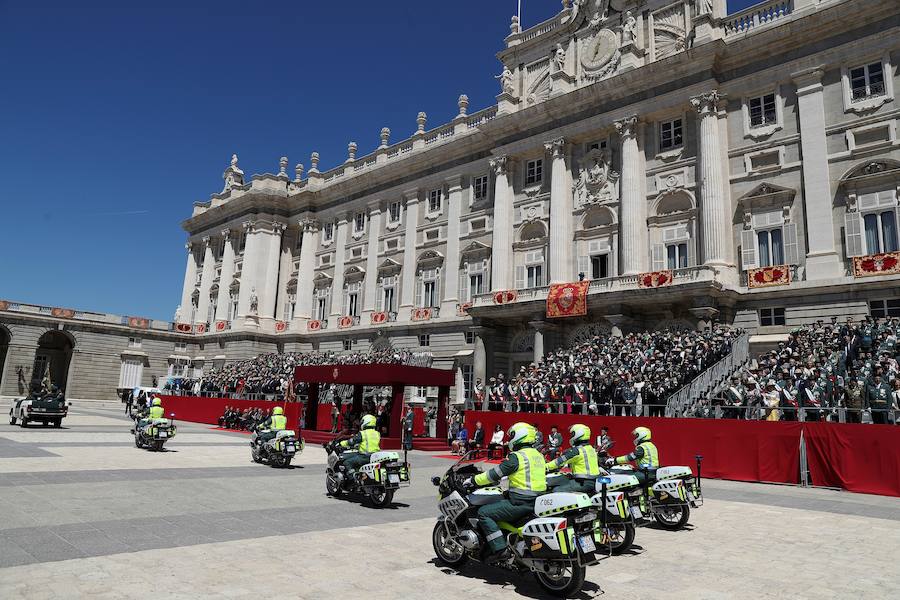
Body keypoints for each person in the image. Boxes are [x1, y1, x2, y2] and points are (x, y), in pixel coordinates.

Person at [465, 422, 547, 562]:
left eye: (512, 435)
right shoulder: (537, 455)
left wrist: (473, 480)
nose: (510, 439)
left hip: (520, 502)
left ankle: (500, 549)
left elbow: (495, 474)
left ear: (519, 436)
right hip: (538, 501)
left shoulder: (517, 457)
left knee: (484, 513)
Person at [546, 424, 601, 494]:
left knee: (555, 490)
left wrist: (545, 467)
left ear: (578, 434)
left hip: (582, 482)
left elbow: (559, 461)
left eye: (572, 434)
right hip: (593, 481)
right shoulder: (591, 449)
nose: (571, 436)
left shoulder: (576, 451)